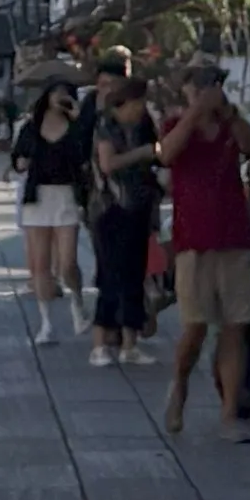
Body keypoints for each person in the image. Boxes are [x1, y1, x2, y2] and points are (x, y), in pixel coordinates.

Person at [158, 58, 250, 441]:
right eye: (197, 86)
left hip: (234, 237)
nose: (203, 92)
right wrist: (194, 114)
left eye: (211, 84)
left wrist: (229, 115)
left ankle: (229, 411)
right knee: (196, 326)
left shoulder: (231, 127)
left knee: (235, 327)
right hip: (194, 241)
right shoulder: (175, 124)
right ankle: (180, 384)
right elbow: (166, 154)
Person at [83, 70, 160, 365]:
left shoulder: (144, 125)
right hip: (110, 208)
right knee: (111, 274)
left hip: (139, 206)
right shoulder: (107, 124)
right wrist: (141, 153)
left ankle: (130, 343)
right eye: (137, 103)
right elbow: (108, 164)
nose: (140, 109)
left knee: (134, 275)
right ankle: (100, 343)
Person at [8, 78, 93, 341]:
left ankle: (77, 302)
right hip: (38, 196)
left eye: (65, 93)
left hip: (66, 195)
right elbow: (18, 159)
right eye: (55, 92)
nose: (60, 97)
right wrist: (21, 162)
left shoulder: (76, 127)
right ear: (46, 96)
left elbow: (84, 157)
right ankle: (46, 323)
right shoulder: (31, 127)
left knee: (67, 262)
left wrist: (78, 120)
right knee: (41, 265)